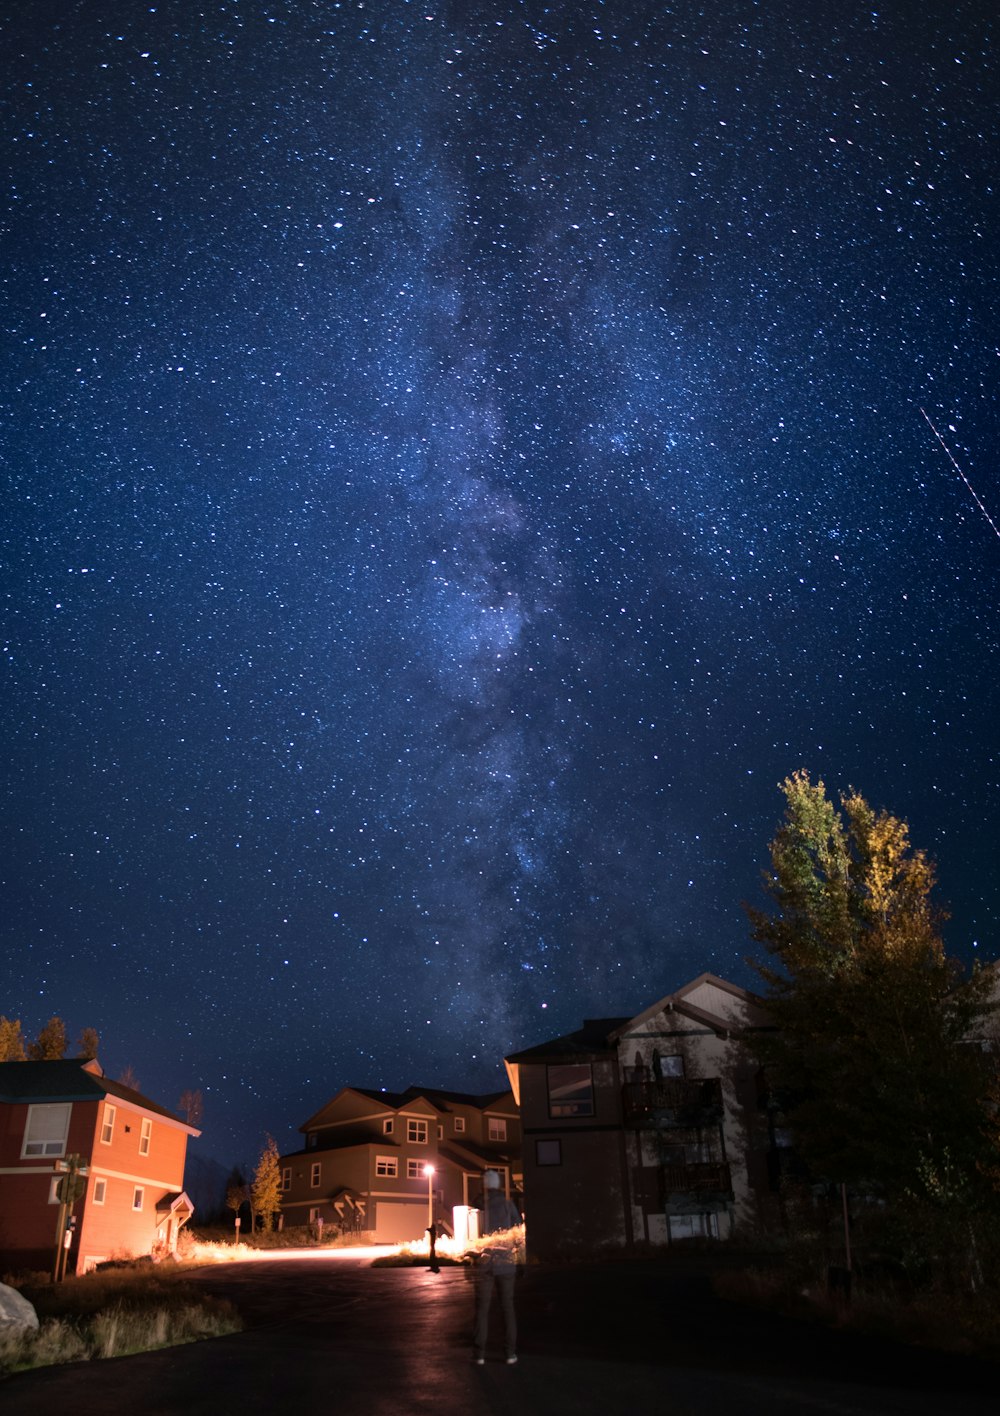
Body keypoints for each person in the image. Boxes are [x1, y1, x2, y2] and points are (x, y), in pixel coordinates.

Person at [472, 1169, 523, 1366]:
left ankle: (479, 1355)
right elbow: (519, 1232)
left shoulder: (478, 1205)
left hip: (485, 1264)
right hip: (507, 1263)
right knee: (507, 1308)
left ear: (484, 1186)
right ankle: (510, 1353)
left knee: (482, 1309)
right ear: (498, 1184)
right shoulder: (507, 1204)